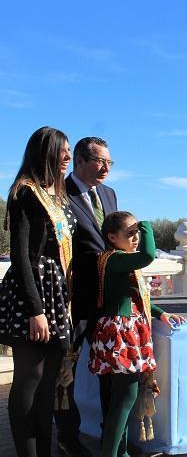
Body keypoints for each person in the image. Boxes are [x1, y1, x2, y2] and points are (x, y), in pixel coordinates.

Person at [0, 127, 75, 457]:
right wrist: (36, 310)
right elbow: (21, 256)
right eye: (63, 150)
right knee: (29, 383)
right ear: (45, 152)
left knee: (49, 386)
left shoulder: (56, 196)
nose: (68, 157)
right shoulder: (24, 193)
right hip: (32, 298)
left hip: (56, 295)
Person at [89, 211, 185, 457]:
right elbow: (149, 255)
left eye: (137, 234)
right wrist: (147, 226)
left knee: (122, 398)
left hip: (119, 331)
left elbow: (134, 296)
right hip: (120, 333)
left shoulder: (115, 259)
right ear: (112, 237)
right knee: (124, 398)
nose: (136, 238)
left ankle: (119, 452)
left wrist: (159, 312)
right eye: (130, 233)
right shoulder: (116, 259)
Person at [55, 136, 118, 457]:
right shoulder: (60, 193)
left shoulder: (109, 194)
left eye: (110, 162)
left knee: (110, 366)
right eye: (100, 161)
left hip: (108, 298)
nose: (107, 167)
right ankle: (68, 437)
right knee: (67, 370)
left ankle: (111, 435)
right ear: (79, 160)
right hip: (74, 299)